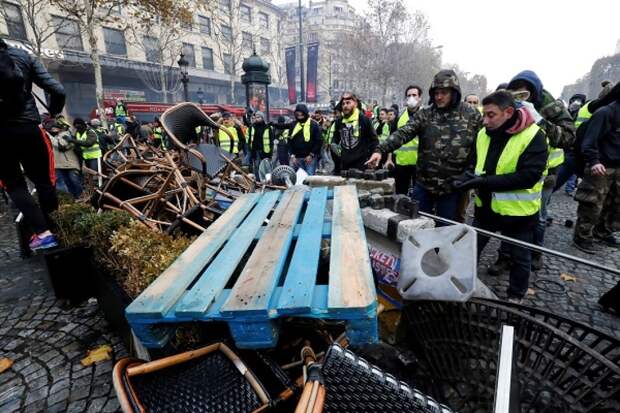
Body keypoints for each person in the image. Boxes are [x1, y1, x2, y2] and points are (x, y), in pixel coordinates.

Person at [452, 91, 547, 303]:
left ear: (509, 112)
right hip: (485, 208)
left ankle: (515, 297)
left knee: (520, 258)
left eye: (491, 115)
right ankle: (460, 287)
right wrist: (464, 178)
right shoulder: (483, 134)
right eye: (484, 115)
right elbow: (475, 164)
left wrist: (483, 183)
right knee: (470, 250)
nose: (485, 121)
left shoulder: (534, 135)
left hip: (519, 214)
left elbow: (528, 177)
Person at [367, 69, 483, 222]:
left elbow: (481, 146)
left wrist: (469, 173)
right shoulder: (426, 114)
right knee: (417, 225)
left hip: (453, 186)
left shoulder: (471, 115)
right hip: (424, 183)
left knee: (446, 230)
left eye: (444, 92)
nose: (439, 97)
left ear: (454, 92)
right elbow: (404, 132)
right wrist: (380, 150)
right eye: (436, 93)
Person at [504, 70, 576, 270]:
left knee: (539, 216)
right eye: (516, 91)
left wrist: (540, 120)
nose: (520, 94)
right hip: (515, 170)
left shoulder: (550, 105)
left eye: (524, 91)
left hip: (546, 173)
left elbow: (569, 138)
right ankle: (505, 256)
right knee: (508, 213)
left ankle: (535, 254)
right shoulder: (509, 102)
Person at [0, 38, 65, 250]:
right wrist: (53, 113)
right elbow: (58, 90)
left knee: (15, 185)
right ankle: (57, 231)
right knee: (44, 182)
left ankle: (43, 233)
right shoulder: (23, 56)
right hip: (29, 129)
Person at [573, 88, 620, 253]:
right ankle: (582, 236)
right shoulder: (605, 113)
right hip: (601, 166)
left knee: (614, 204)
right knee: (592, 204)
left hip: (618, 167)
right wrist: (594, 161)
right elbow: (589, 141)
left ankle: (602, 232)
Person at [331, 92, 378, 171]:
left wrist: (371, 157)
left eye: (348, 103)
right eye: (343, 104)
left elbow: (374, 140)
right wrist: (334, 145)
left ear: (355, 104)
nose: (345, 106)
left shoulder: (364, 120)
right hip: (344, 164)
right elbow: (335, 138)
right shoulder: (339, 121)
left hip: (361, 164)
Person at [393, 85, 423, 195]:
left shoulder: (426, 116)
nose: (411, 98)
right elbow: (392, 137)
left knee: (418, 196)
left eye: (414, 95)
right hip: (402, 162)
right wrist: (389, 159)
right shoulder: (399, 117)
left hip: (419, 163)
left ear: (420, 98)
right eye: (409, 95)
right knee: (401, 194)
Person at [45, 119, 82, 199]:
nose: (53, 129)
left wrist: (48, 135)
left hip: (70, 164)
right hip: (58, 165)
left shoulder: (65, 135)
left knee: (75, 181)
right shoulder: (52, 137)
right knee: (67, 183)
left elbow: (60, 145)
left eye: (55, 128)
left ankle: (81, 197)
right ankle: (73, 199)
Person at [287, 104, 321, 175]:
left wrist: (311, 155)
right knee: (299, 180)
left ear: (305, 114)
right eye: (298, 115)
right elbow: (289, 141)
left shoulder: (313, 125)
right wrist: (292, 156)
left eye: (301, 115)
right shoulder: (293, 125)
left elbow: (318, 141)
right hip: (297, 158)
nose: (300, 117)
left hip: (310, 159)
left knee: (309, 180)